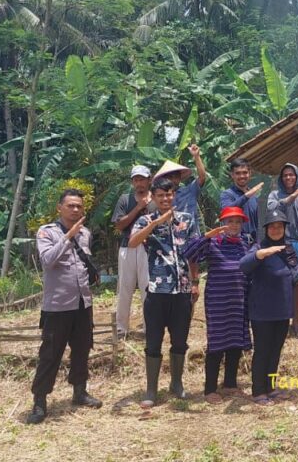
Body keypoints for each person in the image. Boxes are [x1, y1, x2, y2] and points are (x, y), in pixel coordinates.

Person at [27, 189, 102, 424]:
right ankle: (40, 401)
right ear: (60, 208)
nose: (76, 209)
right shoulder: (46, 232)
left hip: (82, 302)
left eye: (79, 206)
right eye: (70, 205)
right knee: (50, 354)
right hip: (57, 305)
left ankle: (79, 391)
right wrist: (68, 235)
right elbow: (48, 261)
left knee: (82, 349)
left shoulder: (86, 234)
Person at [128, 178, 199, 408]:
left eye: (169, 195)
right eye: (160, 195)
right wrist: (156, 222)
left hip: (182, 290)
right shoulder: (145, 220)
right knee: (153, 341)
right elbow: (132, 242)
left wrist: (195, 281)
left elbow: (194, 252)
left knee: (180, 340)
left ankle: (176, 384)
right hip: (157, 291)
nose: (166, 199)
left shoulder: (187, 220)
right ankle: (151, 390)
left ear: (174, 195)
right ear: (154, 197)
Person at [184, 206, 253, 404]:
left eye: (238, 221)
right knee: (217, 342)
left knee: (235, 341)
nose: (234, 225)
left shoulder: (245, 243)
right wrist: (207, 236)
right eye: (230, 221)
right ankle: (210, 389)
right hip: (217, 299)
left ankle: (230, 384)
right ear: (223, 223)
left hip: (239, 298)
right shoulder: (213, 242)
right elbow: (189, 254)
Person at [240, 210, 298, 405]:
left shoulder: (288, 249)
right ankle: (258, 391)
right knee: (263, 350)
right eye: (272, 226)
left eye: (279, 226)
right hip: (262, 311)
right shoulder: (259, 247)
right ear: (266, 229)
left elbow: (293, 273)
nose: (276, 229)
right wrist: (259, 255)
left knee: (276, 350)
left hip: (282, 310)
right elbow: (243, 265)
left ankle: (270, 387)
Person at [266, 163, 298, 337]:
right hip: (281, 243)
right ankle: (281, 321)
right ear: (281, 178)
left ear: (297, 176)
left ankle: (296, 321)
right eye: (285, 175)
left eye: (291, 175)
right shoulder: (274, 195)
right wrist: (290, 199)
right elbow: (272, 210)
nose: (288, 178)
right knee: (281, 282)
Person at [111, 165, 157, 338]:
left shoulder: (157, 198)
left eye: (142, 179)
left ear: (149, 180)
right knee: (125, 287)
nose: (139, 183)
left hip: (150, 247)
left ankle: (149, 328)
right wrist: (137, 208)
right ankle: (121, 329)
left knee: (148, 288)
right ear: (132, 182)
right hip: (127, 246)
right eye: (136, 180)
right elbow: (119, 224)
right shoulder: (125, 199)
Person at [154, 143, 208, 232]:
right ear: (164, 179)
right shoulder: (159, 197)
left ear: (180, 178)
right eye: (170, 177)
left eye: (176, 177)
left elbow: (202, 177)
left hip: (192, 237)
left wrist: (196, 156)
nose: (173, 180)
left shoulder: (189, 190)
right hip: (171, 237)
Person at [220, 158, 263, 243]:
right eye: (238, 173)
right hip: (233, 244)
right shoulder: (227, 194)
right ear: (232, 175)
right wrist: (247, 195)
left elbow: (256, 224)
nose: (242, 176)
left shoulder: (253, 196)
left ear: (250, 173)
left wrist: (258, 244)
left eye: (245, 172)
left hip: (252, 245)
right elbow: (226, 211)